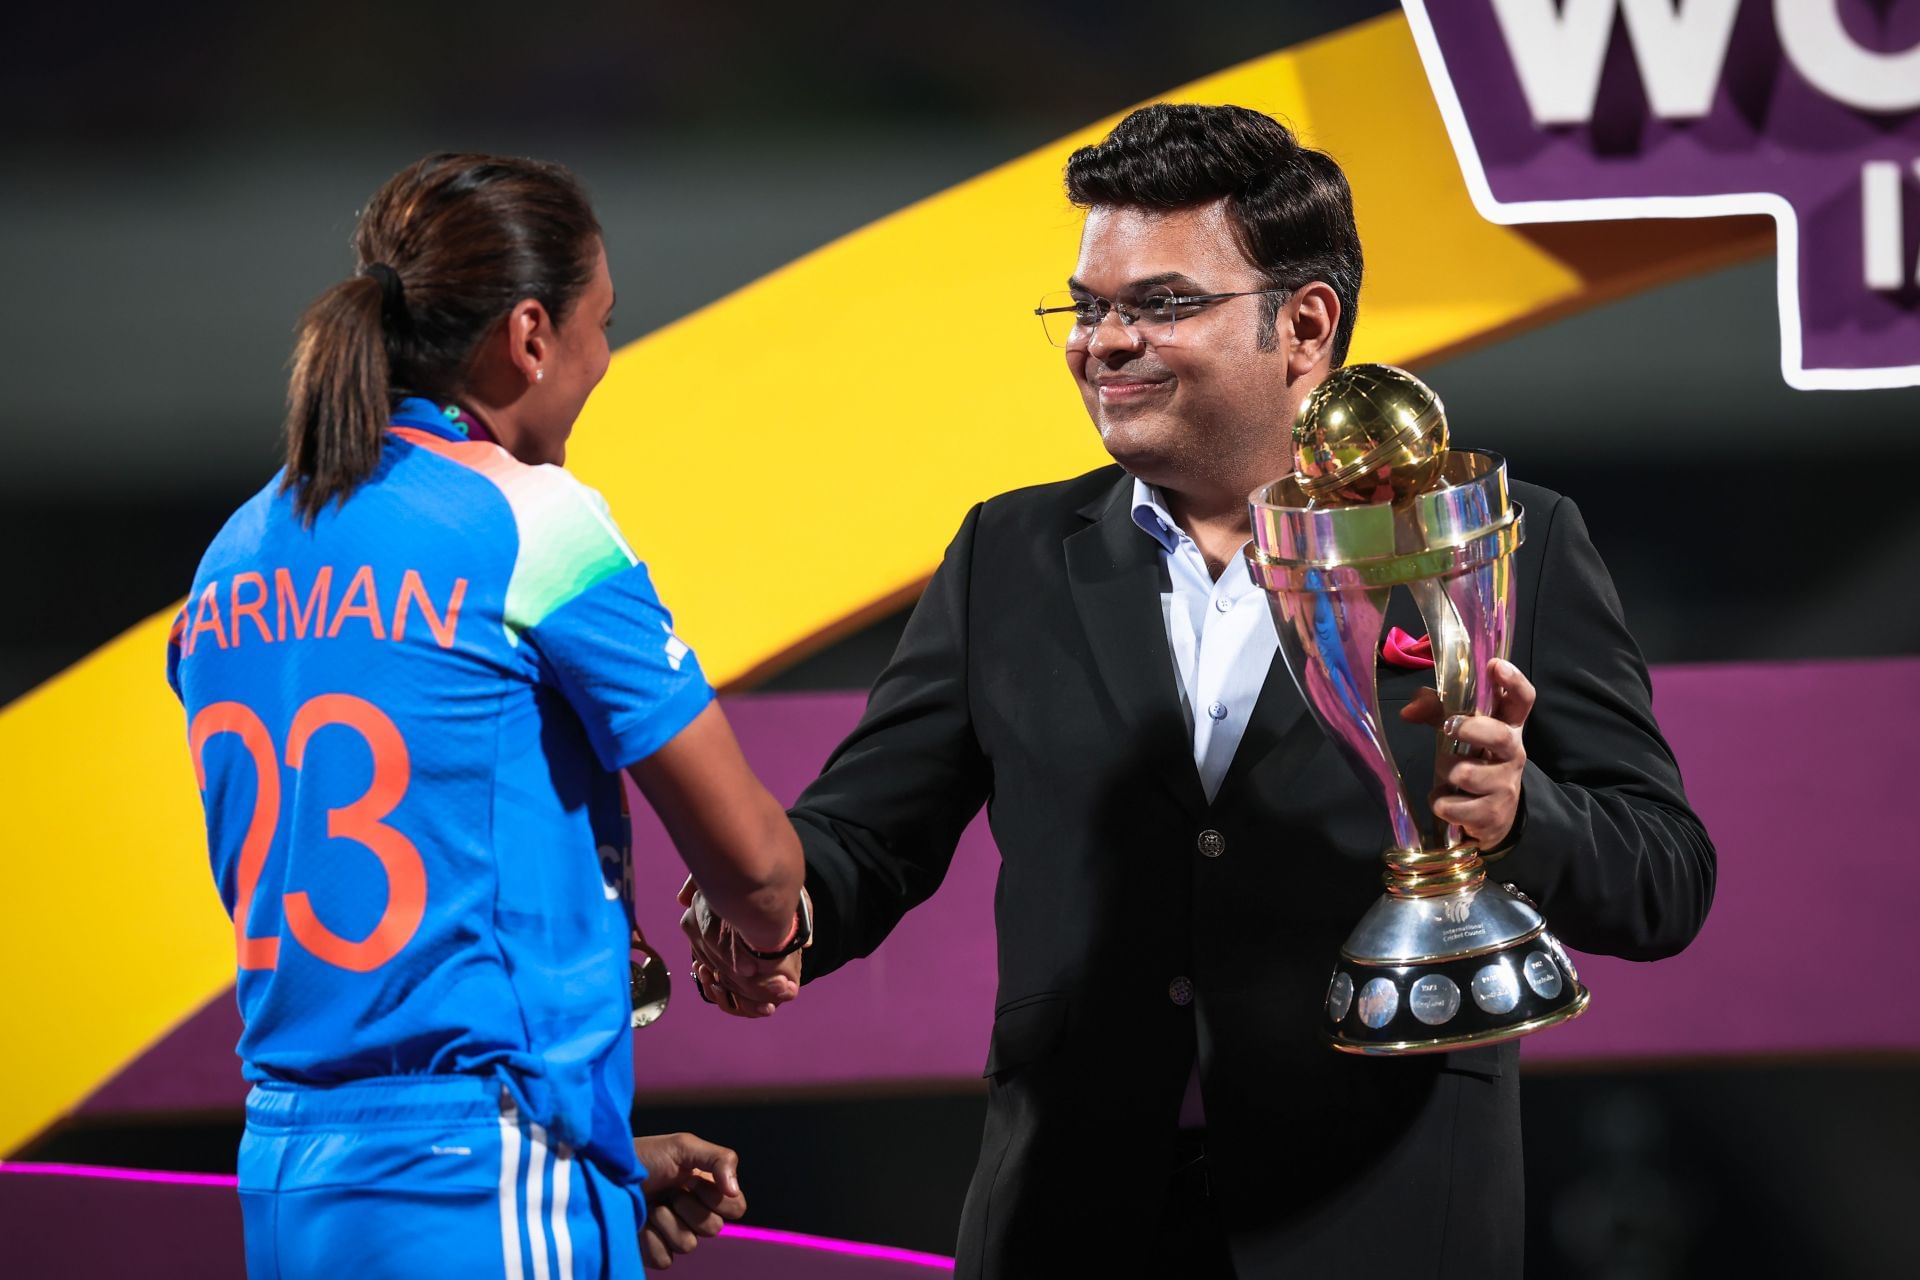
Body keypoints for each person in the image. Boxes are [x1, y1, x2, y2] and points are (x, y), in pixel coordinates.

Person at [682, 105, 1716, 1278]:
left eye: (1161, 304)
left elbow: (1666, 879)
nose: (1102, 342)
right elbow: (868, 833)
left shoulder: (1489, 543)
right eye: (1088, 305)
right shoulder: (1007, 554)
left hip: (1377, 1215)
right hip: (1069, 1220)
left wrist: (1520, 812)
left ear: (1306, 327)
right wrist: (777, 912)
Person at [168, 153, 809, 1278]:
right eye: (604, 324)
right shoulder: (531, 519)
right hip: (477, 1176)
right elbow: (755, 863)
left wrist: (598, 1161)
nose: (607, 357)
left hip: (293, 1175)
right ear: (529, 335)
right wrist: (770, 936)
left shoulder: (231, 556)